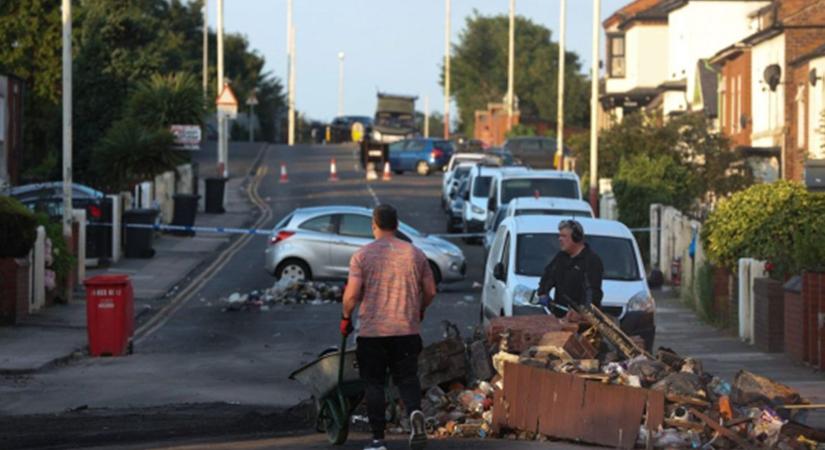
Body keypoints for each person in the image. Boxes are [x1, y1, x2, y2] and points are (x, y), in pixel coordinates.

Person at [340, 204, 437, 450]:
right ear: (397, 224)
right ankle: (415, 412)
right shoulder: (415, 254)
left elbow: (351, 295)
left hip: (373, 333)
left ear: (374, 224)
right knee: (407, 378)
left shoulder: (362, 256)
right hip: (406, 330)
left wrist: (345, 317)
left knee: (374, 383)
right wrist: (420, 309)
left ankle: (377, 440)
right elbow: (431, 290)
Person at [536, 219, 604, 317]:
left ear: (576, 238)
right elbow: (548, 274)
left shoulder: (591, 261)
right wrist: (543, 292)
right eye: (559, 236)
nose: (559, 239)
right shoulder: (561, 257)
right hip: (560, 317)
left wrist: (582, 313)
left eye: (563, 236)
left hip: (581, 321)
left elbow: (592, 292)